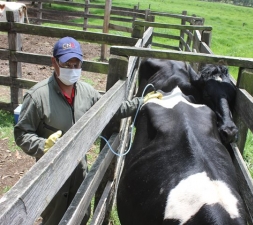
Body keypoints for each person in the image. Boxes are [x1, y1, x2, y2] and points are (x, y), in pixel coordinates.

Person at [14, 36, 161, 225]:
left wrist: (141, 102)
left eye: (77, 64)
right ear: (54, 62)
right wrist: (43, 145)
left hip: (80, 168)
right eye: (67, 64)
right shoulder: (37, 97)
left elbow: (111, 110)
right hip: (52, 176)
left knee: (81, 213)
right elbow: (21, 133)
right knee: (54, 218)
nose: (73, 69)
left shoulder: (87, 92)